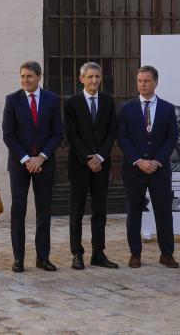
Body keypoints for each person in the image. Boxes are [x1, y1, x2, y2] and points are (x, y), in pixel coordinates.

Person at [2, 61, 63, 273]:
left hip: (44, 164)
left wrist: (41, 157)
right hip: (20, 165)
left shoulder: (53, 100)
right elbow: (8, 135)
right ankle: (18, 258)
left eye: (29, 76)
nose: (24, 80)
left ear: (39, 77)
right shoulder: (12, 100)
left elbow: (57, 133)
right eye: (22, 76)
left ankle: (42, 258)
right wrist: (27, 159)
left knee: (43, 211)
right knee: (18, 211)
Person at [117, 65, 179, 269]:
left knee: (163, 211)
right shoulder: (127, 108)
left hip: (159, 170)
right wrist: (138, 160)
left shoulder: (168, 109)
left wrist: (157, 161)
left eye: (146, 81)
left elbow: (172, 138)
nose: (142, 84)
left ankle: (167, 253)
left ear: (156, 82)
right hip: (134, 170)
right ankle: (135, 253)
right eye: (139, 81)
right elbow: (123, 138)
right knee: (133, 211)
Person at [62, 62, 118, 270]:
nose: (94, 80)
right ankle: (77, 253)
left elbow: (112, 131)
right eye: (90, 77)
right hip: (79, 165)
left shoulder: (108, 101)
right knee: (76, 210)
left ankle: (98, 253)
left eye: (97, 76)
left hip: (101, 166)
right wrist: (88, 157)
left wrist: (101, 157)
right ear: (82, 79)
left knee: (100, 210)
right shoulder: (72, 103)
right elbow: (71, 134)